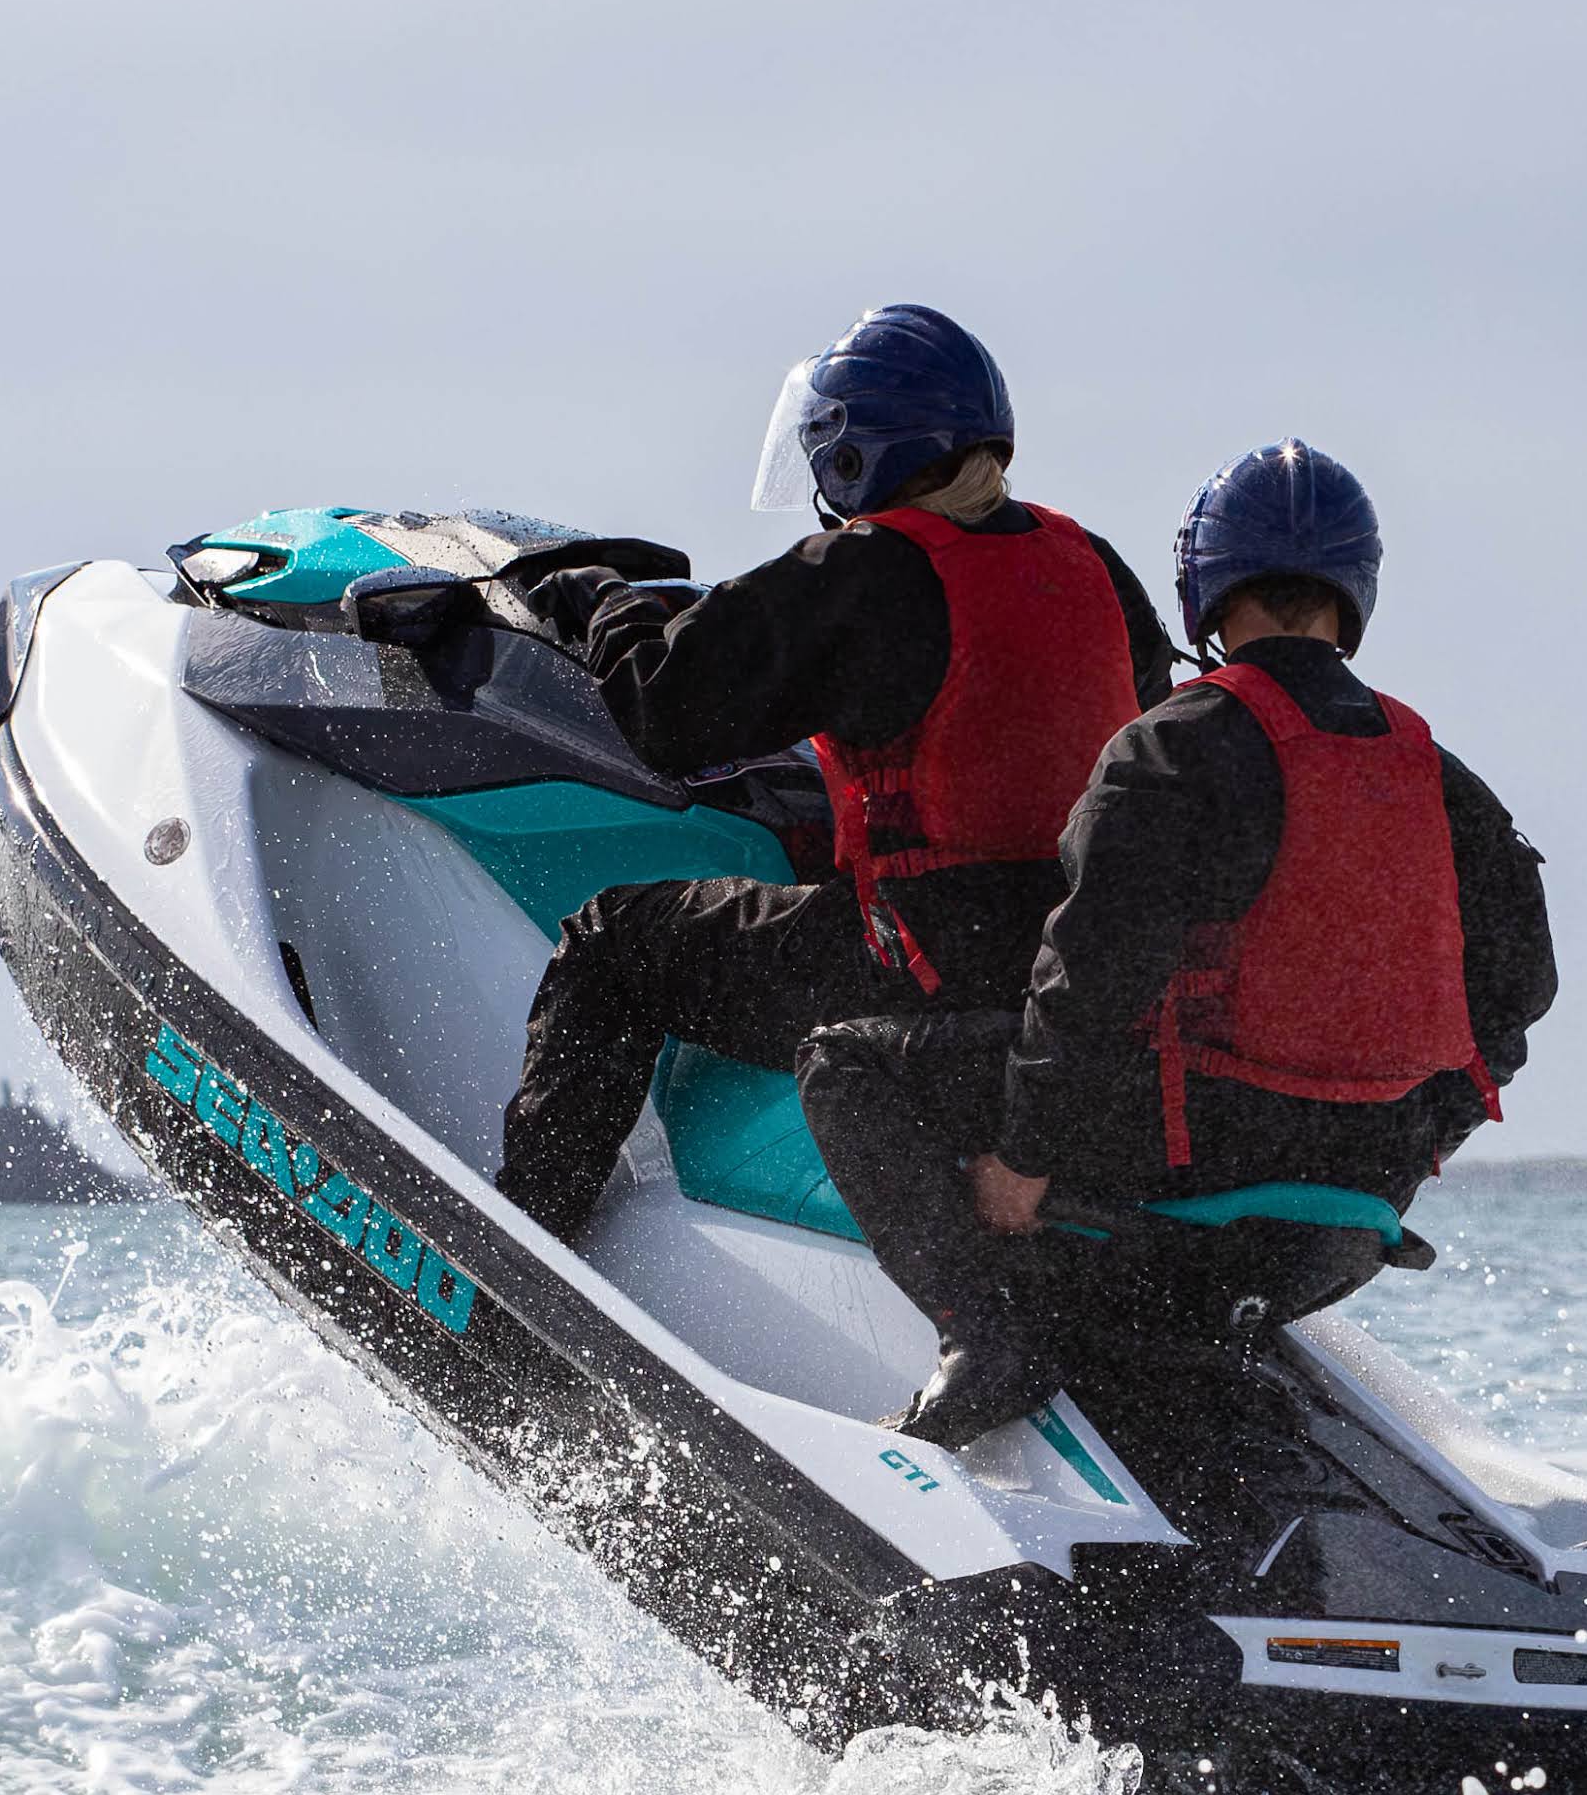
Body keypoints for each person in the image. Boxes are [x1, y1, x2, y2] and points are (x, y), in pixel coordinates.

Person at [797, 441, 1556, 1441]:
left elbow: (1089, 980)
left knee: (845, 1059)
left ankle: (982, 1334)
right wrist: (1421, 1138)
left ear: (1205, 585)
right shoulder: (1442, 777)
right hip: (1350, 1224)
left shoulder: (1171, 744)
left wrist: (1026, 1158)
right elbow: (1519, 992)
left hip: (1170, 1192)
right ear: (1355, 588)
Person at [487, 304, 1174, 1240]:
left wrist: (601, 597)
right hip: (1067, 977)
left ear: (855, 454)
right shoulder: (1092, 563)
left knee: (614, 942)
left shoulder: (866, 569)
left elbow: (665, 713)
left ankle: (522, 1247)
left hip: (918, 970)